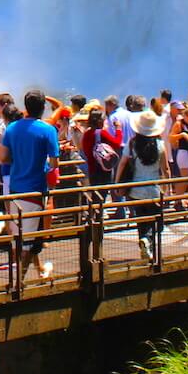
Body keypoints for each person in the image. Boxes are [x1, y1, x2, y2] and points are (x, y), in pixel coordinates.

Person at [0, 91, 59, 282]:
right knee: (29, 241)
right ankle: (18, 283)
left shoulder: (11, 128)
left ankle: (39, 270)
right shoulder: (48, 130)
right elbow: (55, 163)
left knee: (21, 237)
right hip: (35, 189)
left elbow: (3, 158)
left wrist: (21, 158)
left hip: (15, 188)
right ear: (43, 108)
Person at [116, 110, 167, 262]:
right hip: (154, 189)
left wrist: (117, 183)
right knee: (156, 220)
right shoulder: (160, 146)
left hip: (136, 190)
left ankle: (144, 247)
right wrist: (168, 188)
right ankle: (149, 244)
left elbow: (123, 163)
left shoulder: (132, 143)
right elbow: (165, 169)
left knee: (141, 220)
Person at [80, 103, 122, 188]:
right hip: (103, 168)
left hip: (91, 168)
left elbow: (85, 150)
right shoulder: (102, 133)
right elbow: (117, 143)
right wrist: (118, 130)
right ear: (100, 121)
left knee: (95, 192)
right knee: (103, 192)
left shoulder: (86, 134)